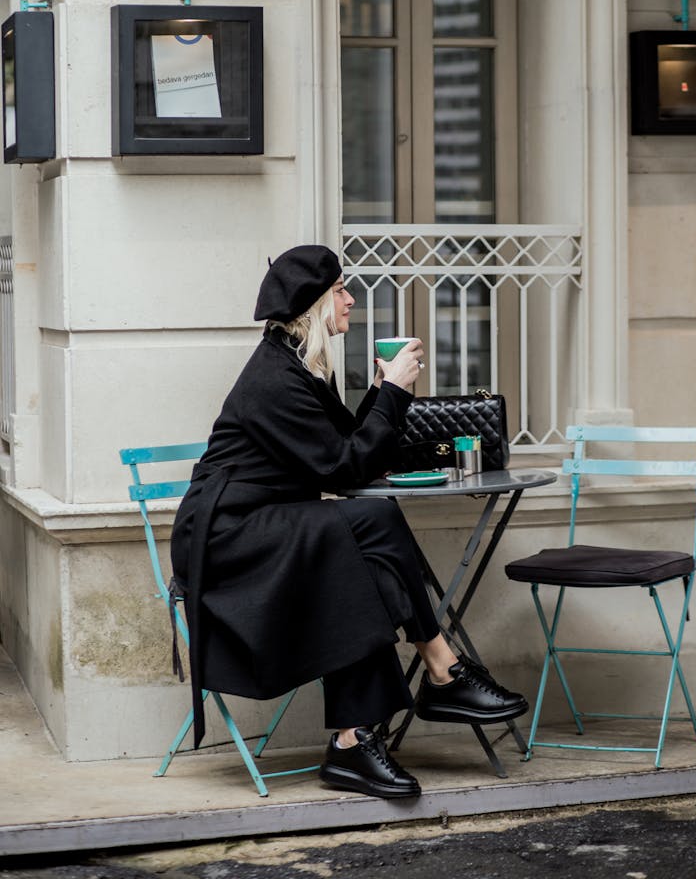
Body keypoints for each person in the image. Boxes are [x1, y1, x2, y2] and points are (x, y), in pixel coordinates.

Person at [170, 244, 528, 799]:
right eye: (340, 288)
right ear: (314, 304)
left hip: (271, 522)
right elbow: (344, 467)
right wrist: (391, 392)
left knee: (363, 549)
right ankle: (440, 673)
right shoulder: (275, 379)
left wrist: (390, 390)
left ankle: (357, 739)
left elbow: (354, 450)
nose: (351, 297)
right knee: (366, 525)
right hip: (227, 538)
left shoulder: (300, 368)